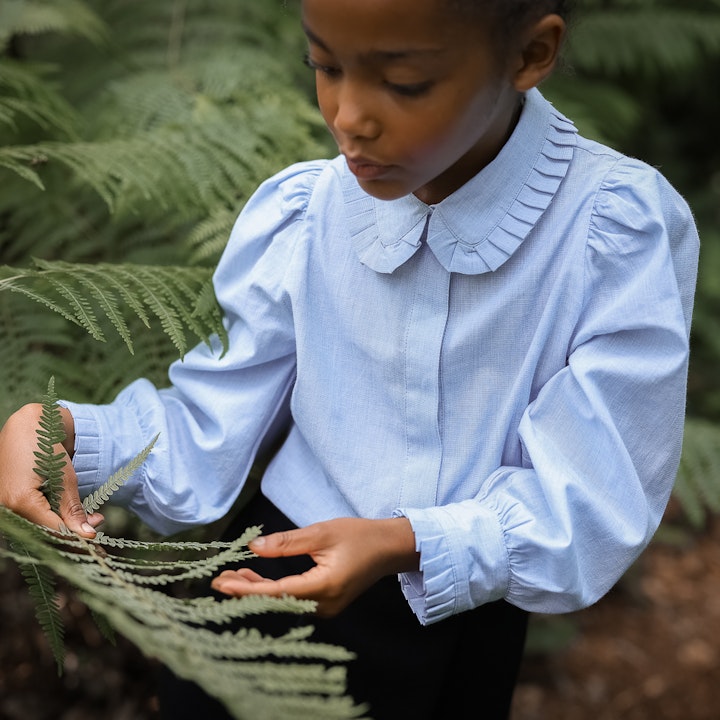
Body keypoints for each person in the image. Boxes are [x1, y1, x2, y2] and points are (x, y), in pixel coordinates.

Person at [0, 0, 700, 717]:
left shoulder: (609, 230)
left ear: (529, 54)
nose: (350, 117)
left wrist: (406, 543)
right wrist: (69, 435)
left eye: (403, 84)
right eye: (325, 66)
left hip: (447, 628)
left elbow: (592, 494)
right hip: (259, 598)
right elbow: (211, 430)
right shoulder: (308, 215)